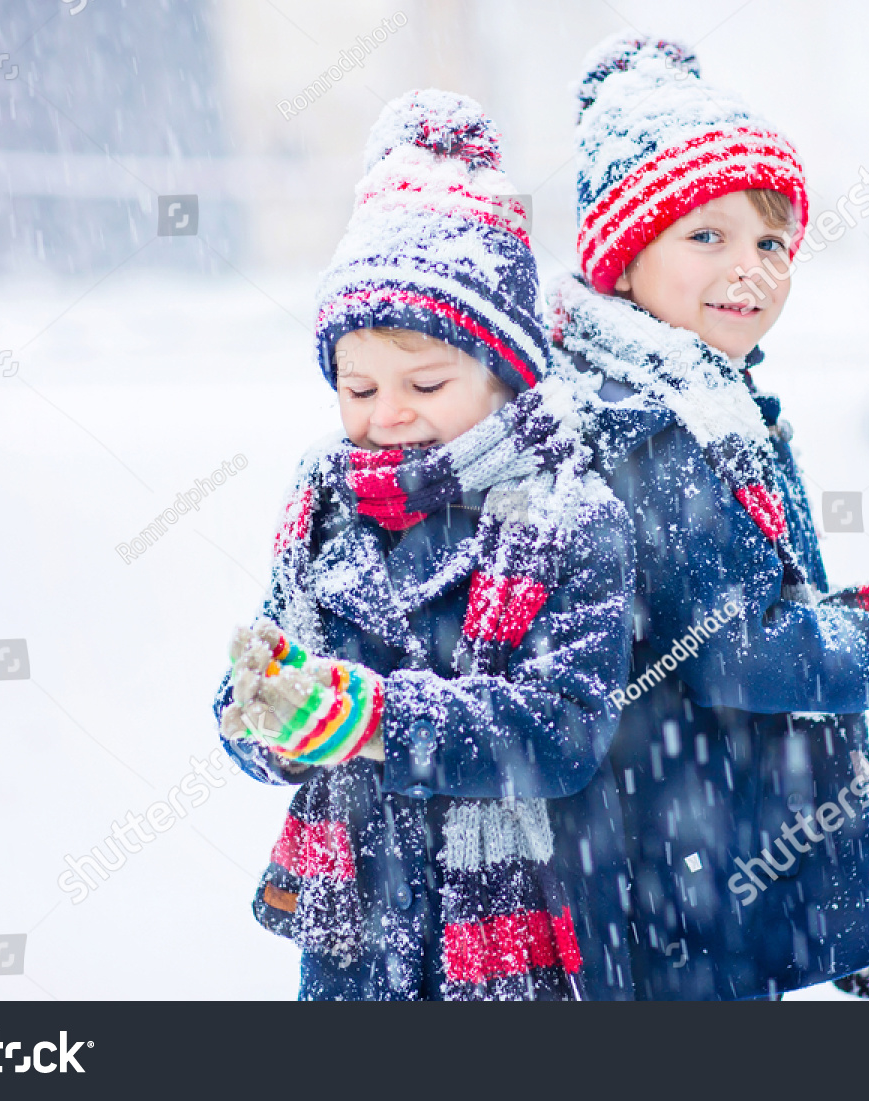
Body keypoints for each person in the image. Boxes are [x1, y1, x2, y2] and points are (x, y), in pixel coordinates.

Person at [547, 33, 869, 1000]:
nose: (752, 268)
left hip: (692, 840)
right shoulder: (651, 422)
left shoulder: (696, 391)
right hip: (675, 862)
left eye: (771, 243)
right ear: (623, 254)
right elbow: (740, 652)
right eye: (708, 237)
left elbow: (736, 599)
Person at [212, 89, 637, 1000]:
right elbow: (261, 680)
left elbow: (563, 730)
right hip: (356, 932)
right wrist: (268, 715)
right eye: (359, 389)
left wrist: (374, 722)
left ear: (507, 373)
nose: (389, 414)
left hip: (511, 938)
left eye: (426, 383)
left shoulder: (568, 514)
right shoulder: (326, 506)